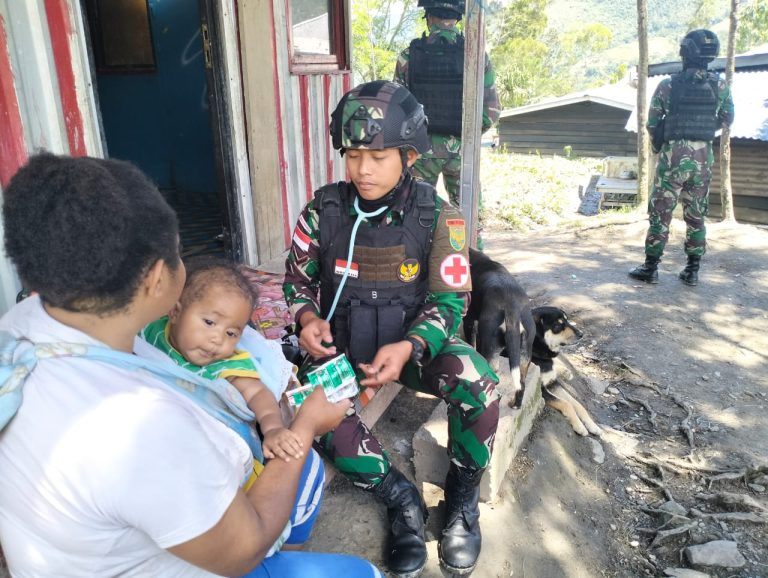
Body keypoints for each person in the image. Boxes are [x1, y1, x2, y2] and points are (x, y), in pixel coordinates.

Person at [0, 153, 383, 578]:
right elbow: (242, 549)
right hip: (209, 554)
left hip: (61, 553)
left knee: (305, 473)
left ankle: (288, 543)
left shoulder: (21, 324)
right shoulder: (141, 431)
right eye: (179, 254)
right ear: (155, 280)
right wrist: (307, 424)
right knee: (364, 573)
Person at [283, 80, 500, 577]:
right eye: (353, 153)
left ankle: (462, 502)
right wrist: (307, 317)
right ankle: (401, 501)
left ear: (408, 155)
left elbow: (452, 301)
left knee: (479, 385)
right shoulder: (323, 212)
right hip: (346, 352)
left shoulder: (440, 216)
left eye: (378, 156)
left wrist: (410, 346)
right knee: (306, 418)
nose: (363, 168)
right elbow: (296, 280)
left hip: (416, 349)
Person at [140, 258, 303, 463]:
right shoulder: (151, 329)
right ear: (175, 312)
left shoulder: (227, 363)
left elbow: (259, 393)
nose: (218, 339)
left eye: (231, 333)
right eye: (209, 322)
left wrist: (273, 429)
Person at [629, 29, 734, 286]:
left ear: (685, 52)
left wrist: (666, 139)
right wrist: (703, 131)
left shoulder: (668, 85)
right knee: (696, 215)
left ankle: (651, 268)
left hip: (672, 158)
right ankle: (692, 271)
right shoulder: (720, 85)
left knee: (661, 212)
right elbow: (727, 119)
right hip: (703, 158)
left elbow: (652, 123)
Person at [393, 0, 501, 246]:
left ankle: (414, 275)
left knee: (413, 215)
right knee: (468, 221)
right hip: (463, 153)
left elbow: (399, 112)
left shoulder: (408, 57)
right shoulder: (475, 55)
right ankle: (471, 273)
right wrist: (466, 137)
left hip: (420, 153)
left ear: (428, 17)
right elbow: (492, 111)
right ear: (458, 19)